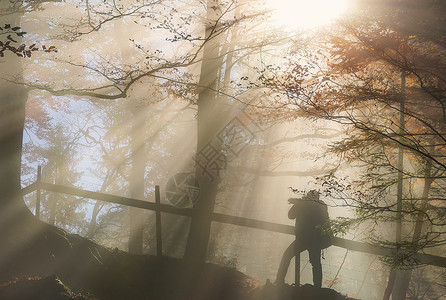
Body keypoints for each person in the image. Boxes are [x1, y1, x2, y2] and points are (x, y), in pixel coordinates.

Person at [275, 190, 331, 288]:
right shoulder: (321, 206)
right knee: (316, 263)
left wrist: (298, 203)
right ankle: (317, 287)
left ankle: (279, 280)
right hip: (315, 239)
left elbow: (291, 216)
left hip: (303, 238)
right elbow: (325, 221)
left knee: (287, 256)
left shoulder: (303, 204)